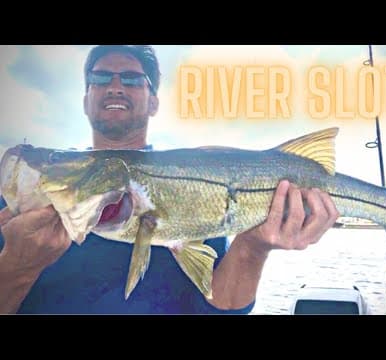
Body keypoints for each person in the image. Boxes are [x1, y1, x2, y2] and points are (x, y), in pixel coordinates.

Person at [0, 45, 340, 314]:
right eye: (101, 78)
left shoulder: (195, 180)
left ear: (154, 102)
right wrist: (16, 267)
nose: (116, 86)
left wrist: (252, 245)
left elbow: (219, 309)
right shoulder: (19, 212)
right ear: (86, 100)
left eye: (132, 79)